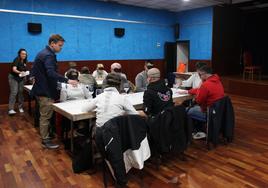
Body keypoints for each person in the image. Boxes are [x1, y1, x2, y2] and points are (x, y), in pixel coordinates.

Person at [31, 34, 78, 149]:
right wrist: (67, 80)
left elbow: (34, 70)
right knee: (45, 116)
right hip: (45, 91)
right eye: (60, 45)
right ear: (52, 43)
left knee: (46, 115)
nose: (61, 48)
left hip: (42, 89)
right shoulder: (48, 55)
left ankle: (47, 135)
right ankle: (45, 140)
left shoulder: (42, 53)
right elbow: (51, 73)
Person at [179, 65, 225, 139]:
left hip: (209, 113)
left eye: (200, 75)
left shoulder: (205, 85)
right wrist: (188, 91)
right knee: (193, 108)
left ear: (204, 74)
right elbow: (201, 90)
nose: (199, 77)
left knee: (186, 110)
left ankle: (194, 131)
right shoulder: (217, 81)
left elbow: (198, 101)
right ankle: (199, 128)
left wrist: (196, 96)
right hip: (218, 111)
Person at [8, 48, 29, 115]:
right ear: (19, 54)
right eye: (22, 54)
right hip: (13, 78)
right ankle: (11, 109)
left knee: (20, 92)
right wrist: (21, 72)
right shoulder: (17, 59)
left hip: (21, 78)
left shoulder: (25, 61)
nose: (24, 55)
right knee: (14, 92)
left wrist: (25, 74)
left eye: (25, 54)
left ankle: (20, 107)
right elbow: (14, 69)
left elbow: (25, 70)